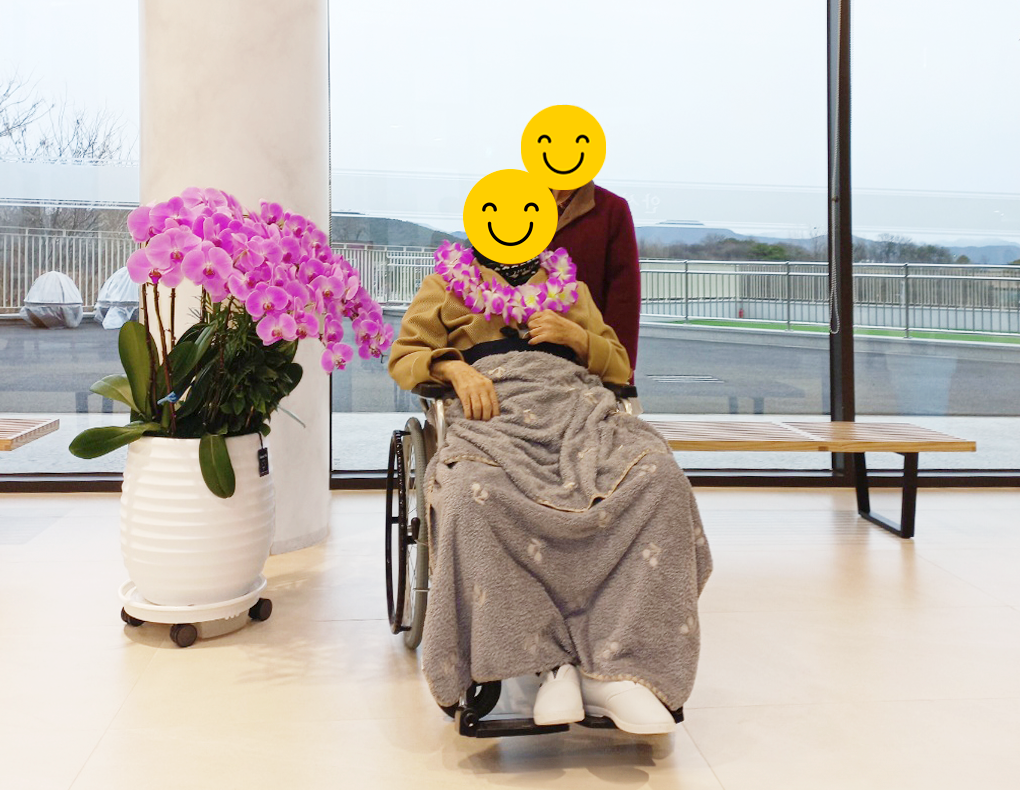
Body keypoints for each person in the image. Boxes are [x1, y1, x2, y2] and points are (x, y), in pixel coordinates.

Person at [389, 237, 712, 734]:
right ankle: (548, 662)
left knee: (658, 478)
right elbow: (405, 357)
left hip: (578, 410)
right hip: (495, 413)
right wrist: (453, 368)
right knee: (471, 491)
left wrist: (577, 337)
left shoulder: (571, 289)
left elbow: (618, 366)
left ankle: (616, 668)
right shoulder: (444, 285)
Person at [550, 181, 641, 371]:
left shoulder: (612, 208)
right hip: (517, 355)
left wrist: (620, 371)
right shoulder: (515, 201)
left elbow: (624, 297)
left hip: (586, 355)